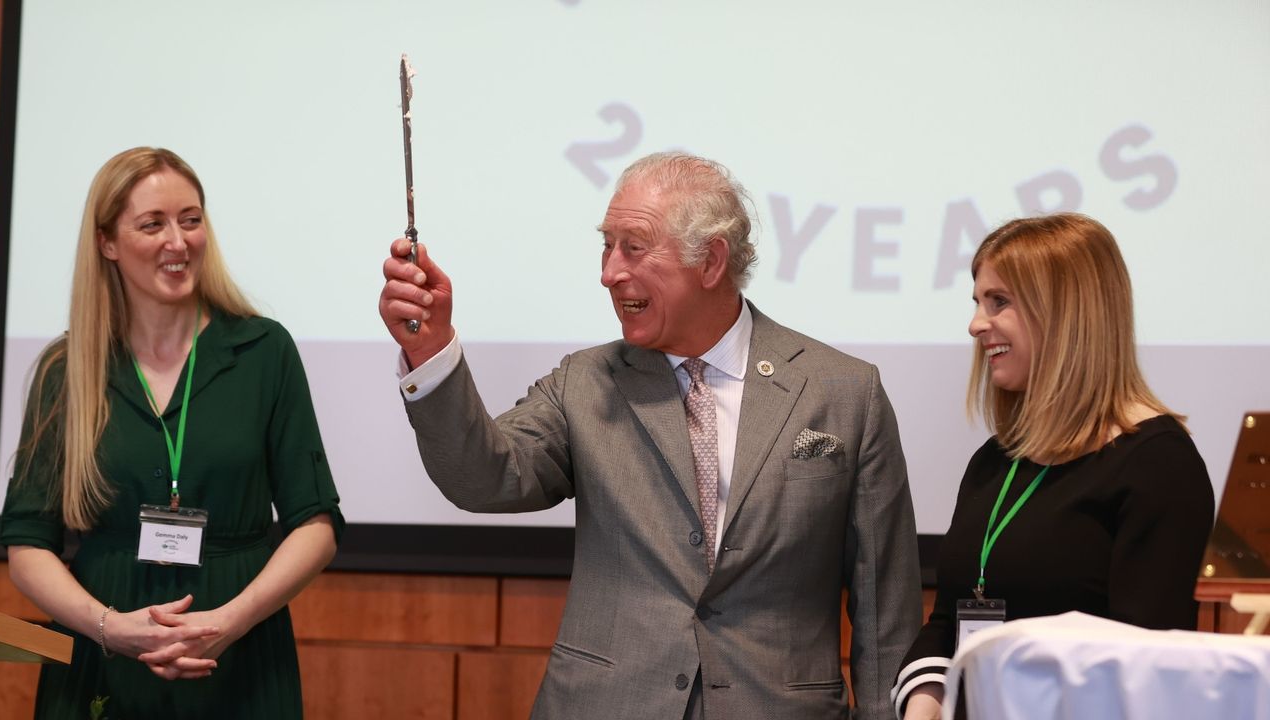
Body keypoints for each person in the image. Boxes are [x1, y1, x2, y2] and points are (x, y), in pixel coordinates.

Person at [378, 152, 922, 720]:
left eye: (633, 247)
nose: (609, 272)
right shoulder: (584, 383)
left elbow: (886, 614)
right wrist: (430, 350)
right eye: (606, 246)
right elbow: (486, 479)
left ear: (711, 261)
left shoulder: (843, 393)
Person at [0, 147, 343, 719]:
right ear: (107, 242)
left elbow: (317, 527)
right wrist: (111, 630)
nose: (178, 243)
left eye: (190, 219)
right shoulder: (69, 369)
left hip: (239, 655)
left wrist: (225, 623)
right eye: (152, 224)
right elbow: (27, 545)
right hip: (100, 655)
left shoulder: (264, 352)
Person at [892, 213, 1215, 720]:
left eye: (999, 301)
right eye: (977, 302)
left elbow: (1145, 665)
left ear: (1065, 312)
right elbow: (950, 620)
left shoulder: (1158, 463)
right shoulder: (994, 461)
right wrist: (921, 709)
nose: (976, 323)